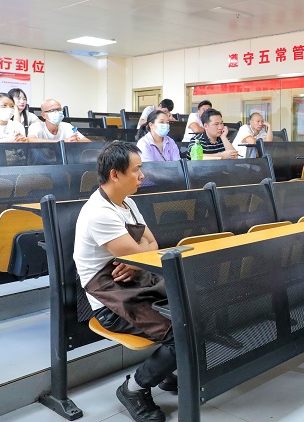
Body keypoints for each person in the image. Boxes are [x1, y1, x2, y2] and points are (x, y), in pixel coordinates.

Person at [74, 141, 175, 422]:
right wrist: (139, 256)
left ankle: (164, 371)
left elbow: (153, 246)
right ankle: (134, 389)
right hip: (111, 301)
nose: (142, 176)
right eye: (136, 170)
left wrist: (137, 259)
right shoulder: (99, 212)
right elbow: (145, 250)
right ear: (115, 174)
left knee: (193, 307)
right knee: (180, 331)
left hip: (137, 283)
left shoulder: (127, 202)